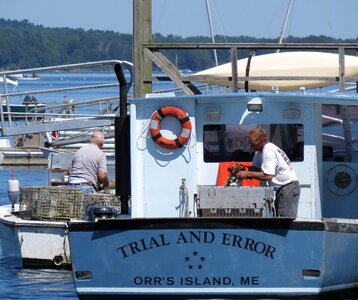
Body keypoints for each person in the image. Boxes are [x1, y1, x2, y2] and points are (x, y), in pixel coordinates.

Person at [235, 127, 300, 217]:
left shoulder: (268, 151)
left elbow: (268, 175)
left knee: (285, 222)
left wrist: (247, 174)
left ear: (261, 142)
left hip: (288, 188)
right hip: (284, 188)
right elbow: (257, 169)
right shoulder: (259, 151)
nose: (251, 147)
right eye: (250, 144)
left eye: (253, 144)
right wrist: (244, 168)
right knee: (280, 219)